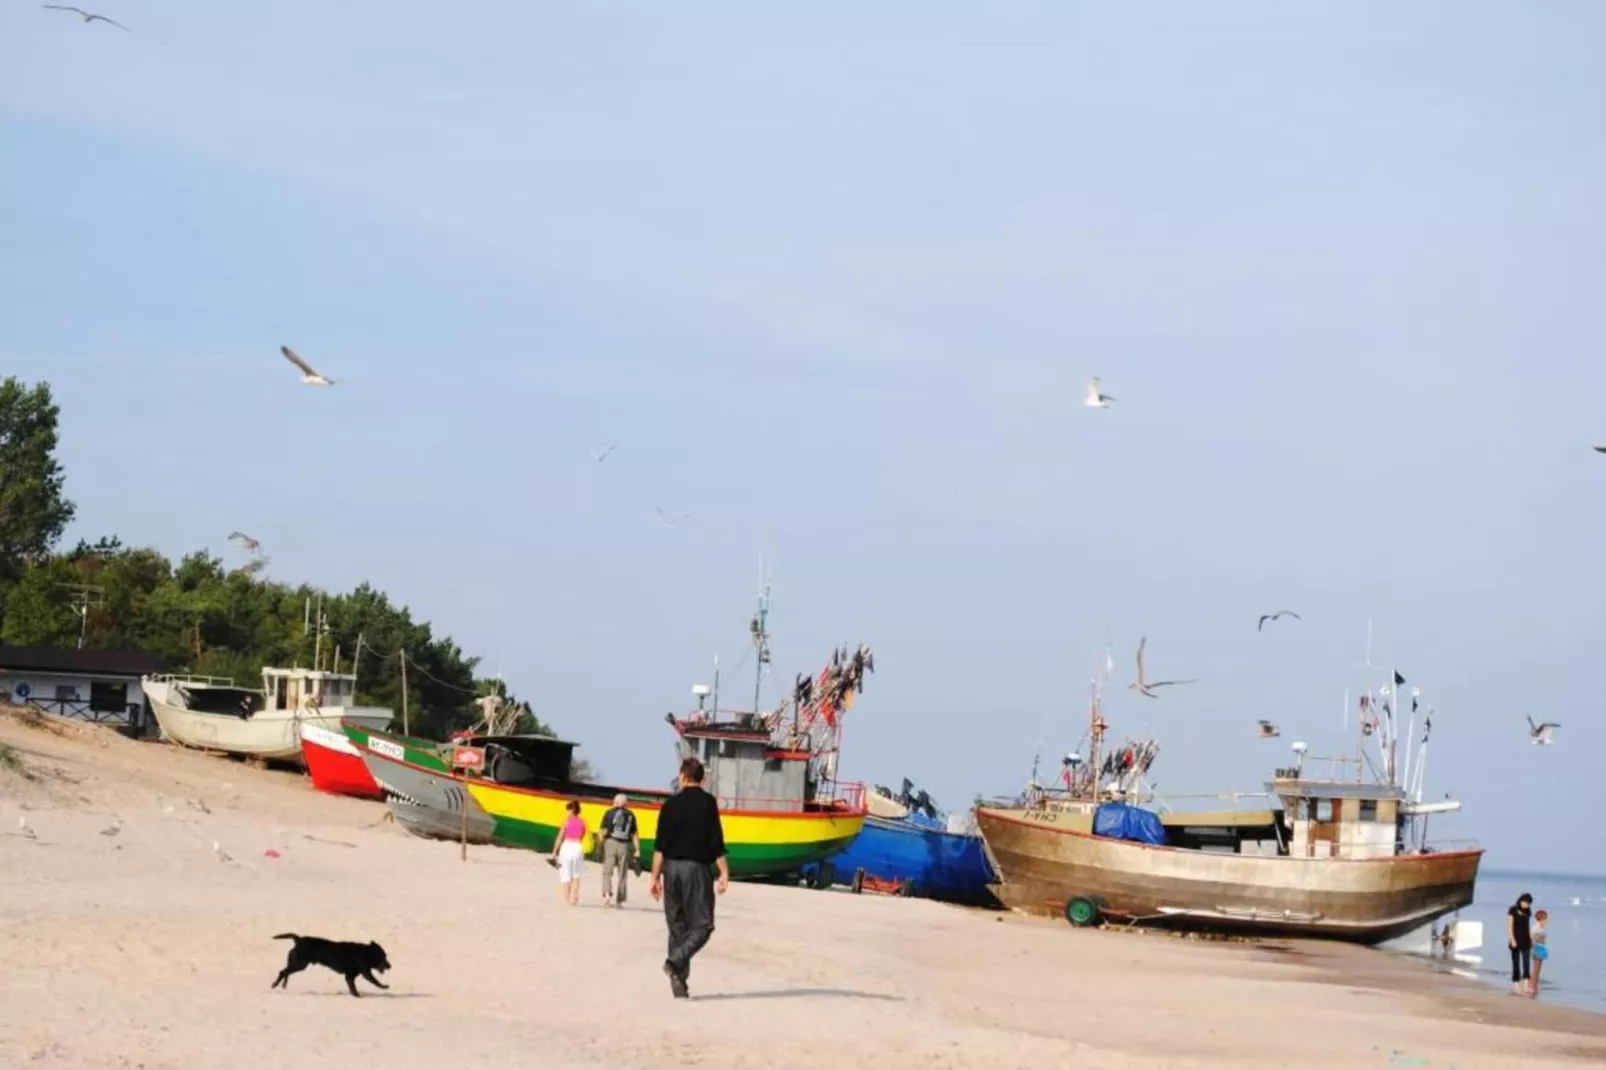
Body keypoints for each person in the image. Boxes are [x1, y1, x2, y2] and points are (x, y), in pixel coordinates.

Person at [650, 756, 729, 999]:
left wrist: (654, 877)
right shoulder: (708, 803)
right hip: (696, 869)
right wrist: (724, 872)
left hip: (670, 869)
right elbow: (715, 841)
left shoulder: (669, 805)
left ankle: (679, 983)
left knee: (677, 927)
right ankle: (674, 963)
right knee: (704, 925)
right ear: (702, 778)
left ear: (682, 776)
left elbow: (660, 847)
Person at [598, 793, 641, 908]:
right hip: (625, 845)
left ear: (616, 802)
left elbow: (603, 830)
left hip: (610, 843)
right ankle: (619, 901)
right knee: (622, 873)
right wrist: (637, 849)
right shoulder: (631, 815)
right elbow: (634, 834)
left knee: (607, 870)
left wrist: (600, 843)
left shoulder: (609, 813)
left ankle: (607, 895)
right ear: (626, 803)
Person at [550, 800, 588, 907]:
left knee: (565, 873)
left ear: (571, 810)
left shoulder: (566, 821)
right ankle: (574, 897)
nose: (567, 812)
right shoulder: (583, 822)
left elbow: (560, 837)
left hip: (567, 846)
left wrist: (554, 851)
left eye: (568, 810)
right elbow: (582, 836)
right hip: (578, 847)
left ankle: (567, 900)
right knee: (576, 874)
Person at [1506, 892, 1534, 993]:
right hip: (1515, 939)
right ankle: (1516, 986)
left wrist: (1531, 938)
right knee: (1516, 963)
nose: (1526, 905)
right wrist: (1512, 939)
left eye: (1528, 903)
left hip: (1526, 939)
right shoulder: (1512, 910)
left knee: (1526, 964)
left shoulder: (1528, 911)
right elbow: (1509, 925)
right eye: (1525, 902)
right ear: (1521, 901)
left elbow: (1527, 925)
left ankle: (1526, 986)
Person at [1530, 908, 1550, 996]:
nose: (1546, 921)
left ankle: (1534, 986)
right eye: (1546, 919)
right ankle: (1532, 987)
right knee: (1536, 970)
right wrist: (1539, 939)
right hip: (1537, 949)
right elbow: (1532, 937)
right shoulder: (1536, 927)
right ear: (1542, 919)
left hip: (1540, 948)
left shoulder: (1540, 928)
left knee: (1538, 969)